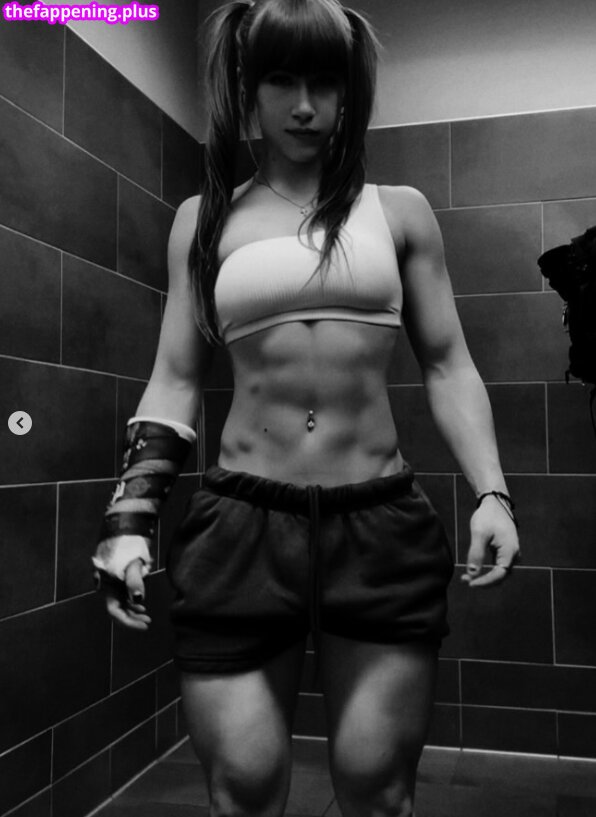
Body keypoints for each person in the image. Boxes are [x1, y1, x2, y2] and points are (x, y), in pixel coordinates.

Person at [92, 1, 521, 815]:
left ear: (347, 92)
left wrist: (492, 491)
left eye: (323, 83)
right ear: (246, 89)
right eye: (281, 81)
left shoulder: (400, 211)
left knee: (377, 788)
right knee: (244, 788)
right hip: (243, 527)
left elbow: (448, 362)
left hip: (378, 524)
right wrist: (129, 516)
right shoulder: (202, 221)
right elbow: (175, 379)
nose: (302, 106)